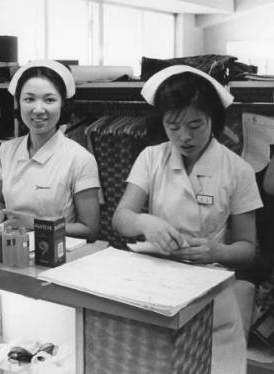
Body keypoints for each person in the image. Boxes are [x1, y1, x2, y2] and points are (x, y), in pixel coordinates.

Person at [112, 65, 263, 374]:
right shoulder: (152, 158)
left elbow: (248, 248)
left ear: (214, 120)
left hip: (213, 293)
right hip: (156, 287)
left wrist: (216, 251)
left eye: (196, 124)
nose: (185, 136)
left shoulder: (238, 170)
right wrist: (145, 224)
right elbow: (121, 217)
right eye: (173, 126)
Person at [0, 59, 100, 241]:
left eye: (49, 100)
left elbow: (90, 229)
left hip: (57, 253)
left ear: (63, 104)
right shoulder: (6, 150)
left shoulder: (80, 159)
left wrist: (34, 225)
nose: (38, 109)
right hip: (11, 247)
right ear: (19, 103)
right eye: (29, 99)